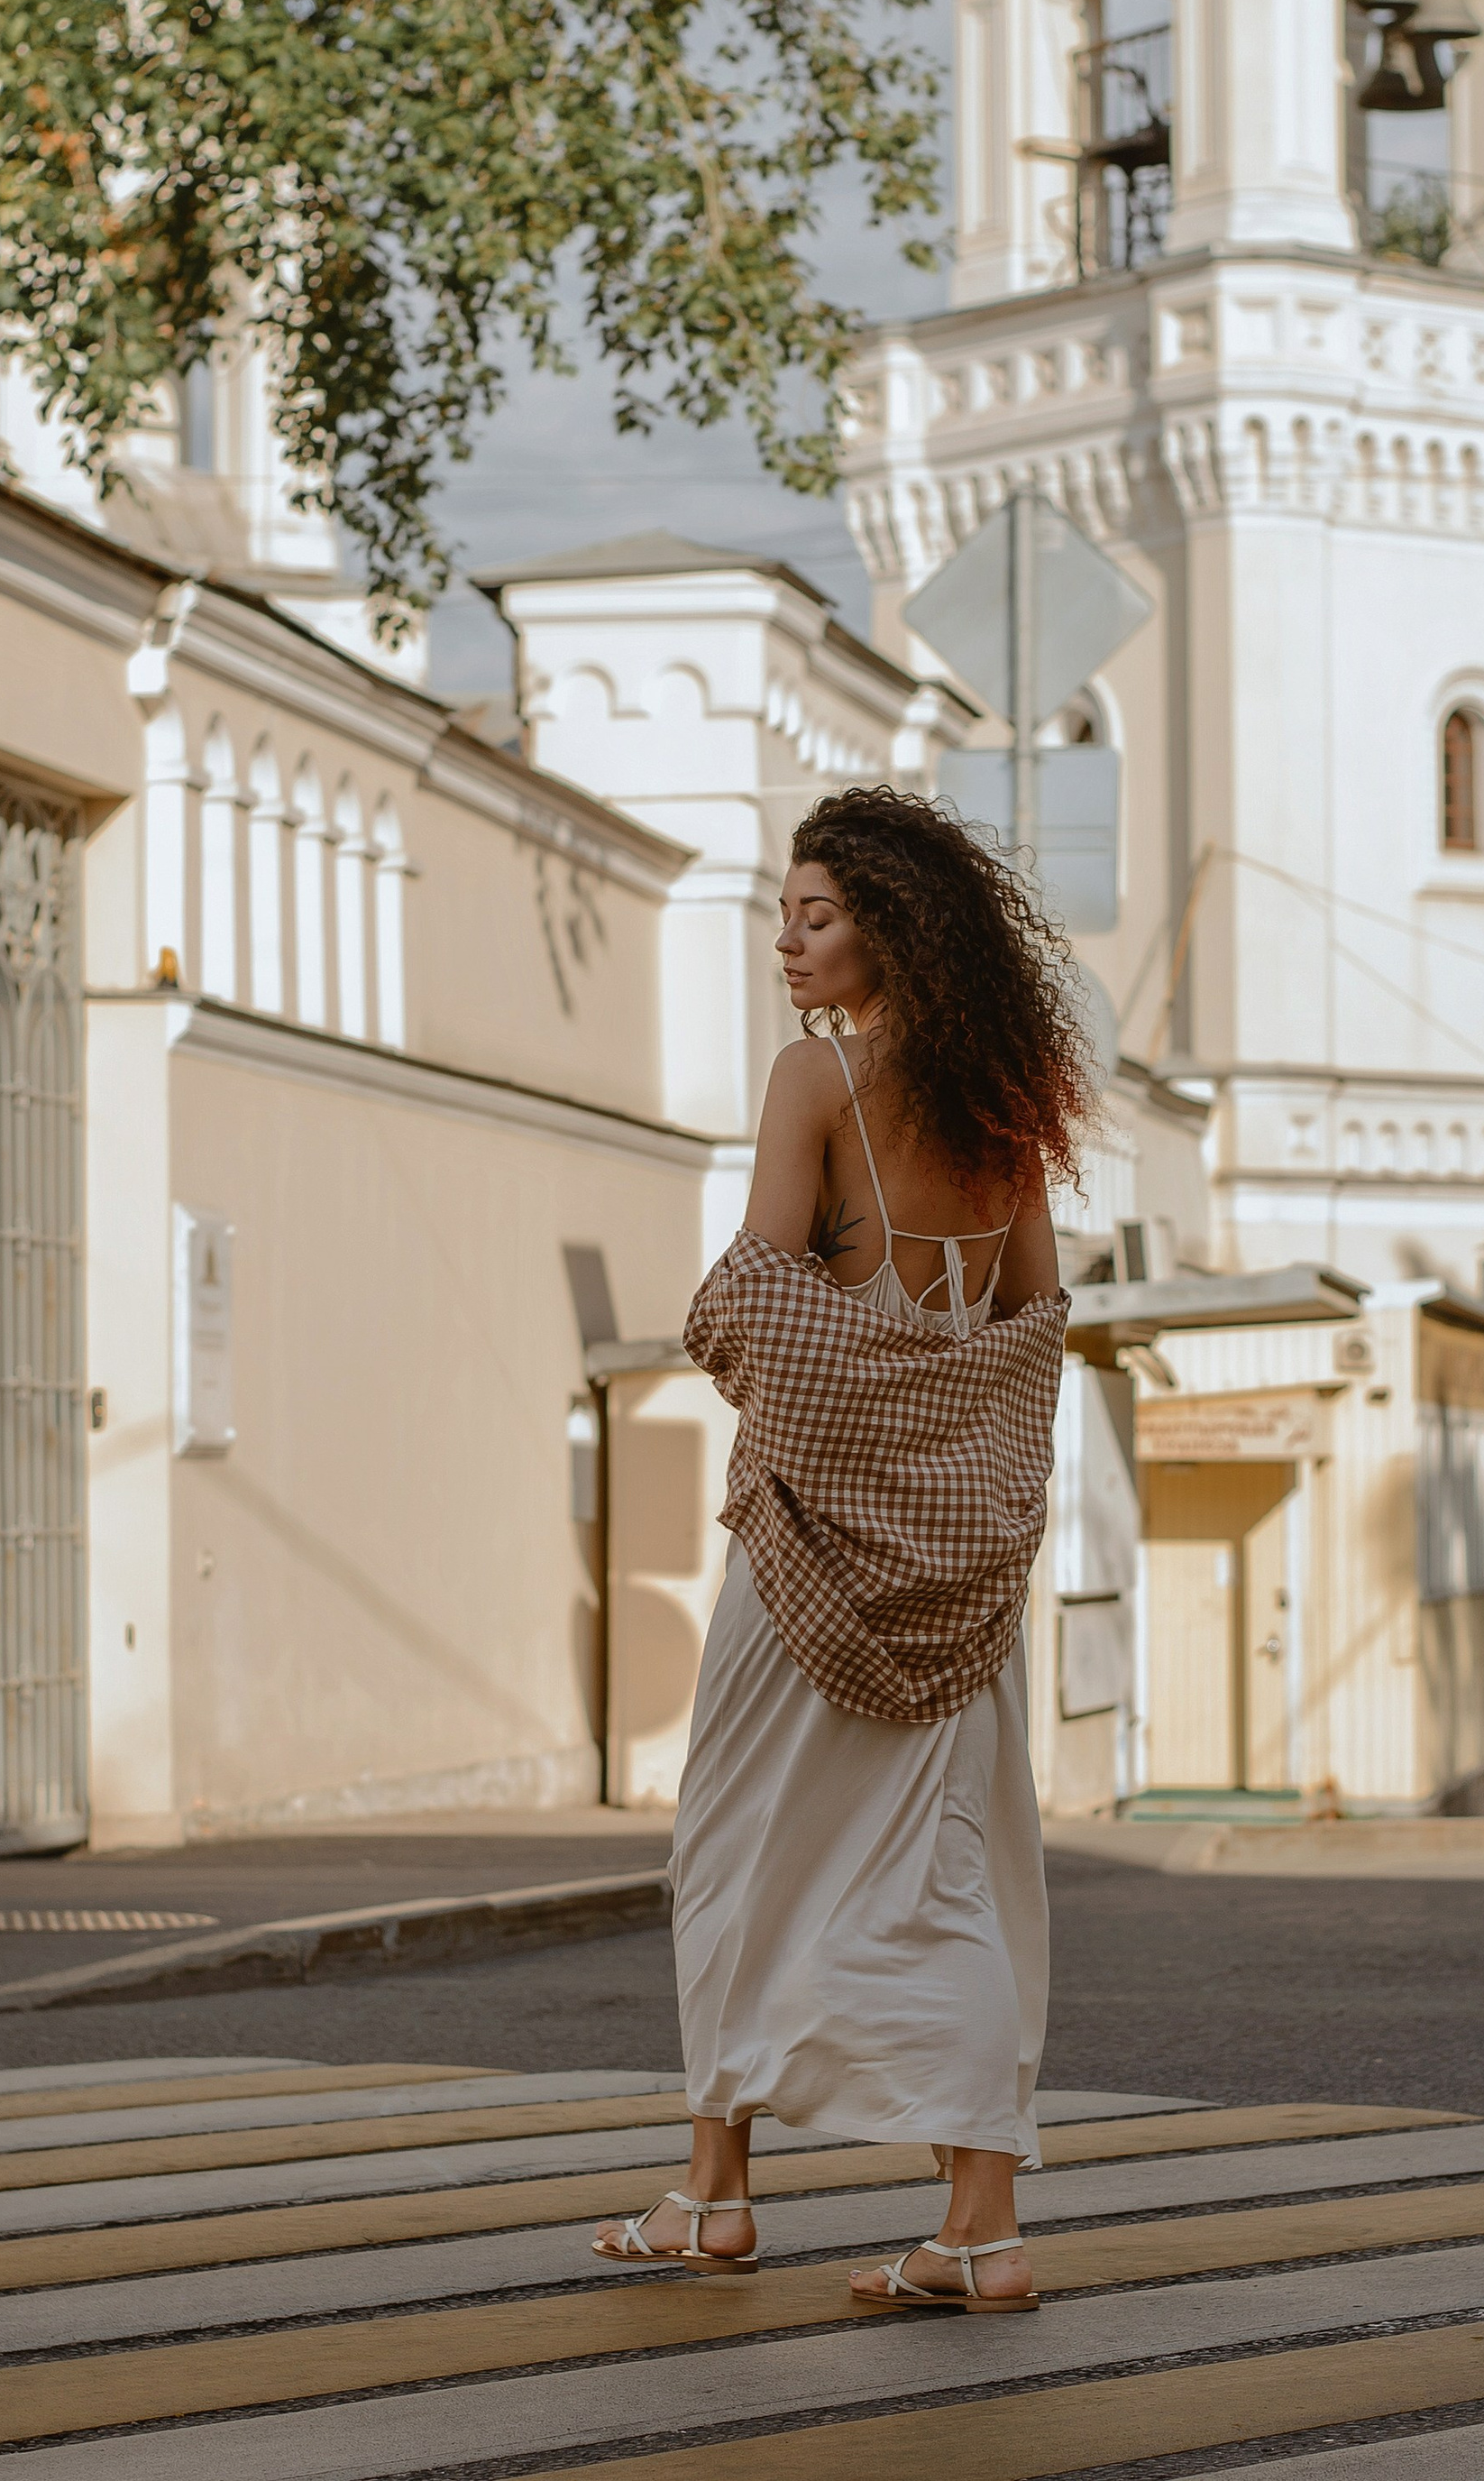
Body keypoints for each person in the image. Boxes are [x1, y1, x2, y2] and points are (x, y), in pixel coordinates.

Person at [593, 784, 1094, 2314]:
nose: (788, 947)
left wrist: (817, 1348)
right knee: (955, 1866)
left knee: (736, 1836)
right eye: (783, 917)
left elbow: (757, 1283)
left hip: (812, 1542)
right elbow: (1032, 1321)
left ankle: (717, 2193)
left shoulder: (817, 1077)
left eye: (815, 915)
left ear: (892, 927)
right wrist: (952, 1442)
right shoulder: (1009, 1110)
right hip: (963, 1560)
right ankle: (975, 2225)